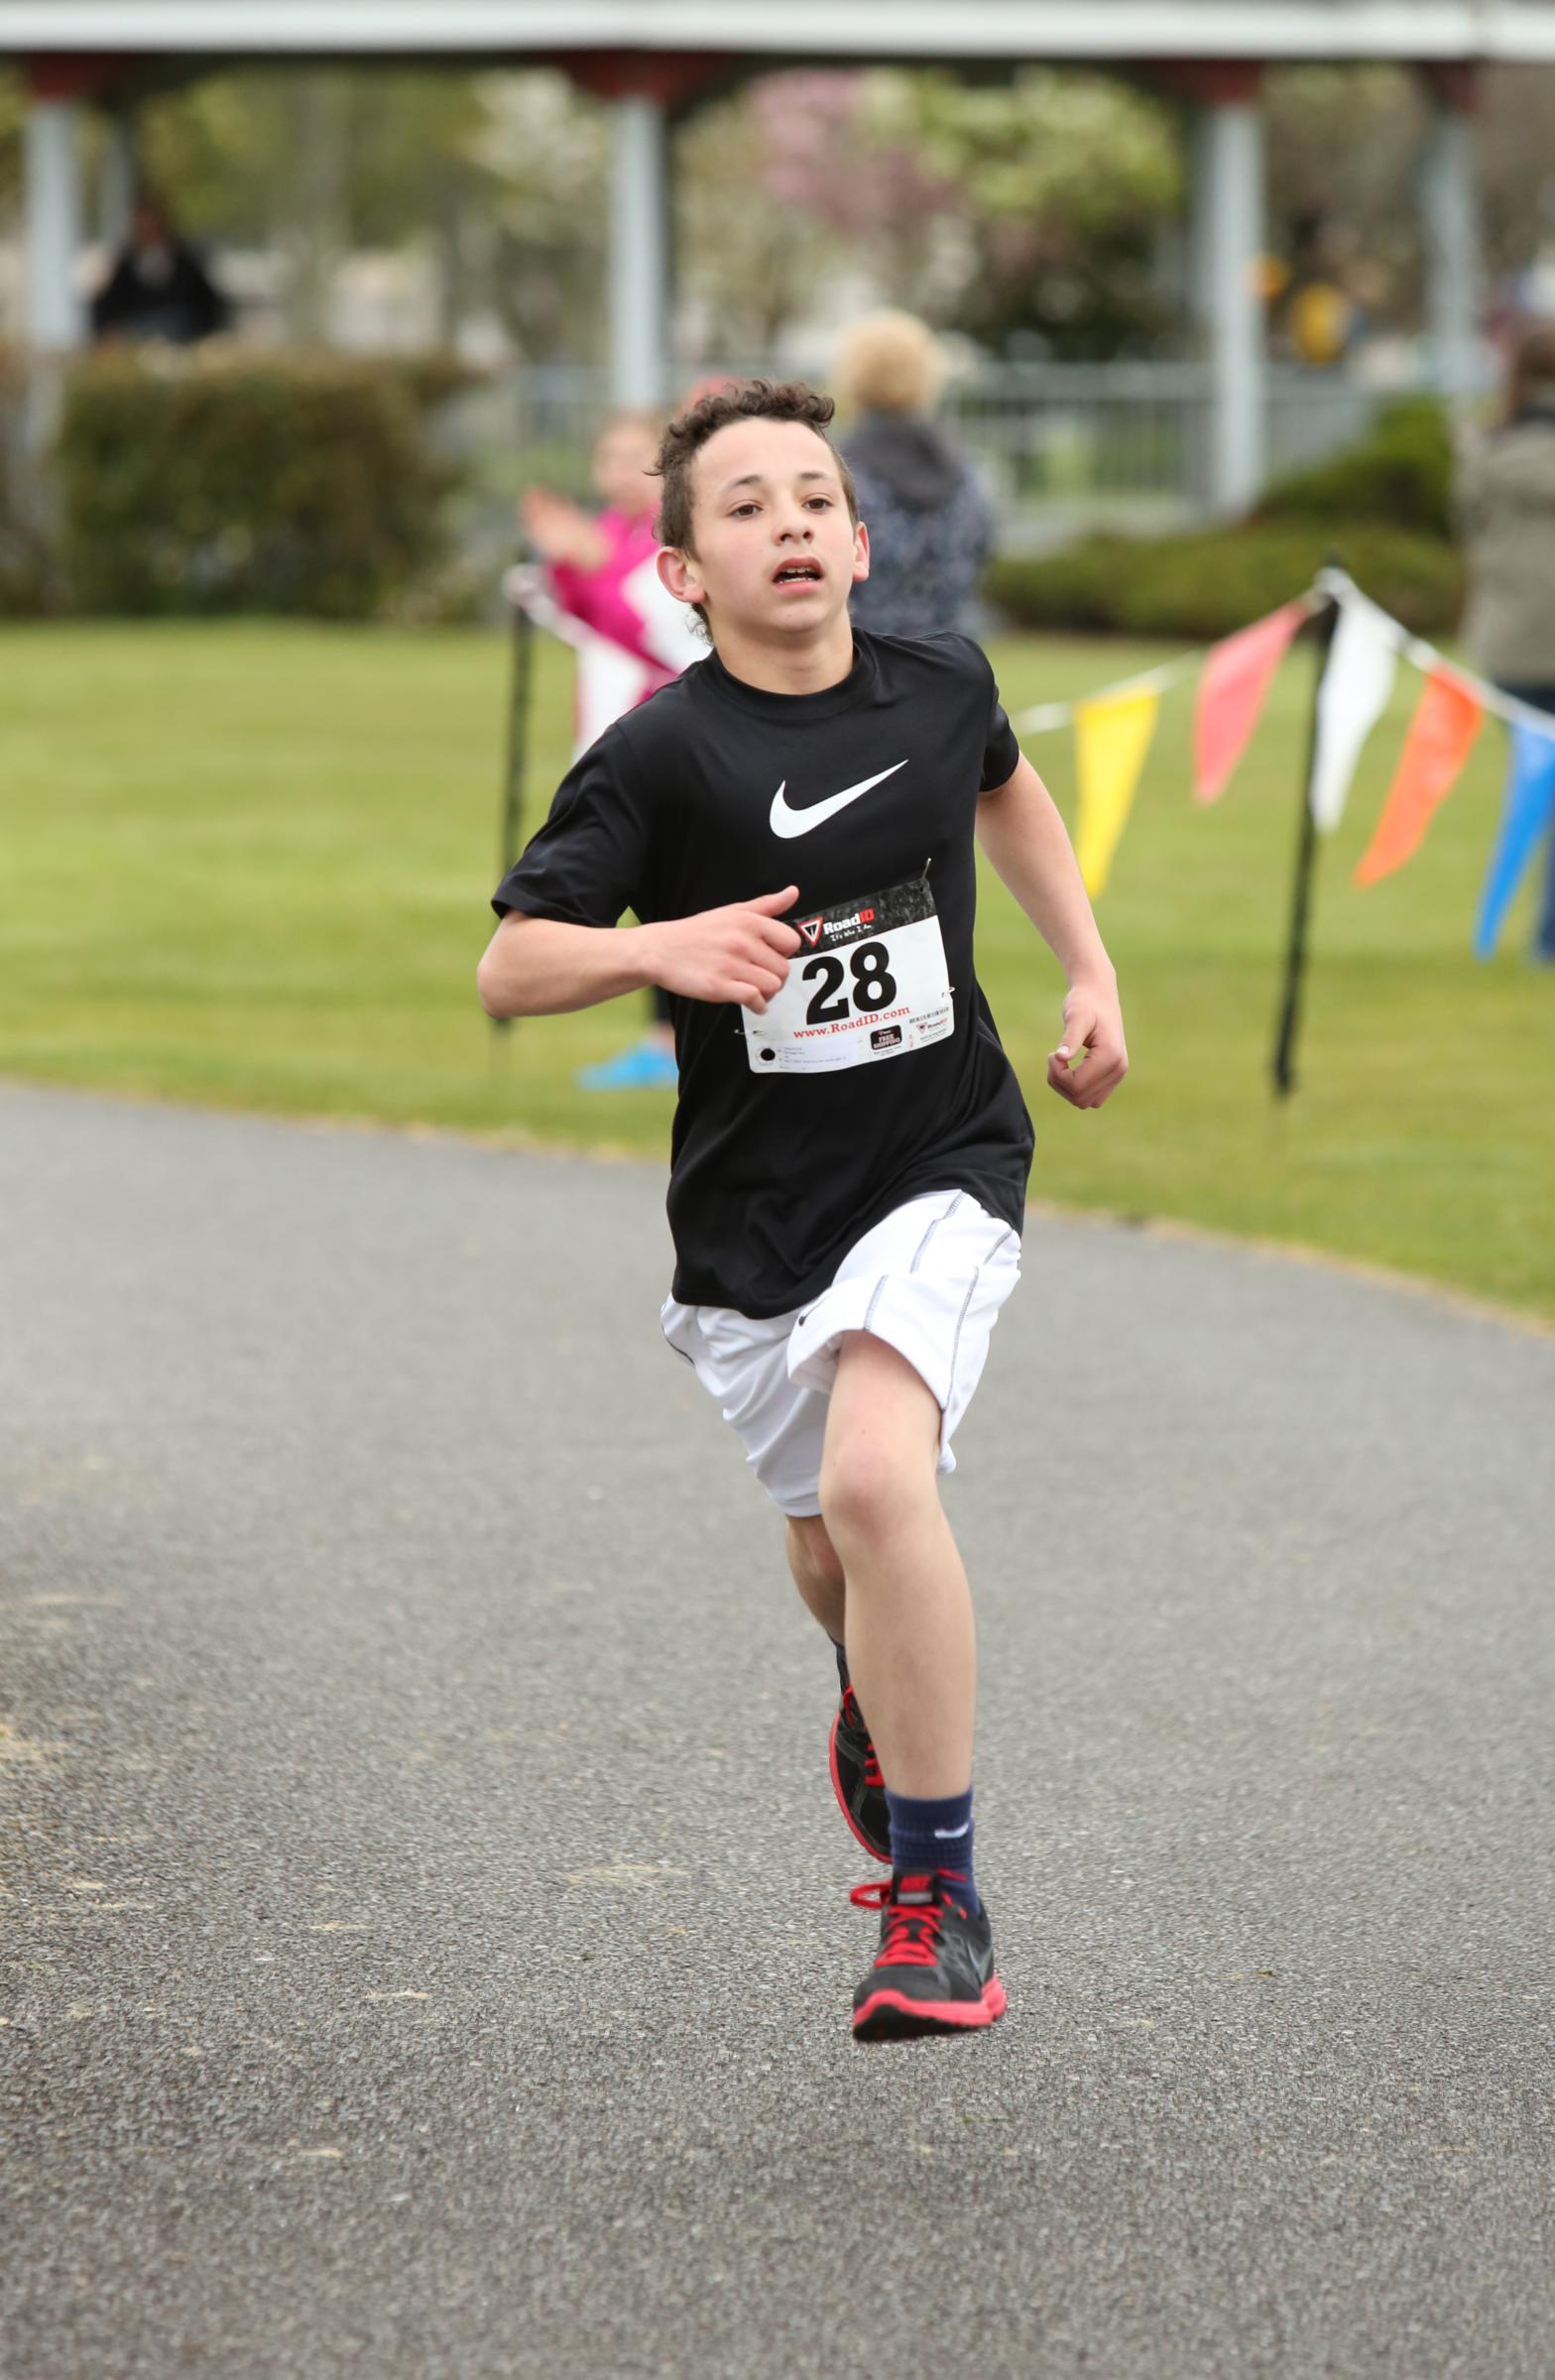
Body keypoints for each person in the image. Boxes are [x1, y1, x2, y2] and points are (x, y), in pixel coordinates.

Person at [477, 380, 1128, 2038]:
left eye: (815, 499)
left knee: (874, 1477)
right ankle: (868, 1674)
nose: (790, 525)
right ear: (681, 570)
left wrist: (1088, 968)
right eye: (747, 506)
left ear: (858, 538)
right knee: (832, 1541)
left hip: (942, 1160)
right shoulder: (661, 752)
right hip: (758, 1211)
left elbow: (1005, 786)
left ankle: (939, 1900)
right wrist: (657, 947)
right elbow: (511, 965)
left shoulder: (942, 684)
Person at [519, 413, 695, 1087]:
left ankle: (673, 1041)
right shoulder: (610, 532)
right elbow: (586, 618)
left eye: (634, 456)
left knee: (676, 890)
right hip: (611, 725)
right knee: (654, 890)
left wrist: (586, 566)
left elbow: (653, 635)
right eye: (609, 457)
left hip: (665, 735)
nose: (620, 471)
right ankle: (665, 1040)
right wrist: (565, 567)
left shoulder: (671, 539)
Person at [1459, 317, 1555, 965]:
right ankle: (1547, 937)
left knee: (1539, 790)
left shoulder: (1488, 452)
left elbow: (1468, 531)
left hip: (1508, 647)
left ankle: (1537, 933)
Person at [833, 310, 995, 641]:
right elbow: (982, 553)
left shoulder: (836, 475)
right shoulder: (967, 475)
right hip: (951, 656)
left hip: (868, 657)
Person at [90, 194, 230, 347]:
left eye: (150, 225)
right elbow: (107, 310)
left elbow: (208, 306)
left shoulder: (185, 261)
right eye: (141, 226)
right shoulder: (126, 266)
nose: (146, 231)